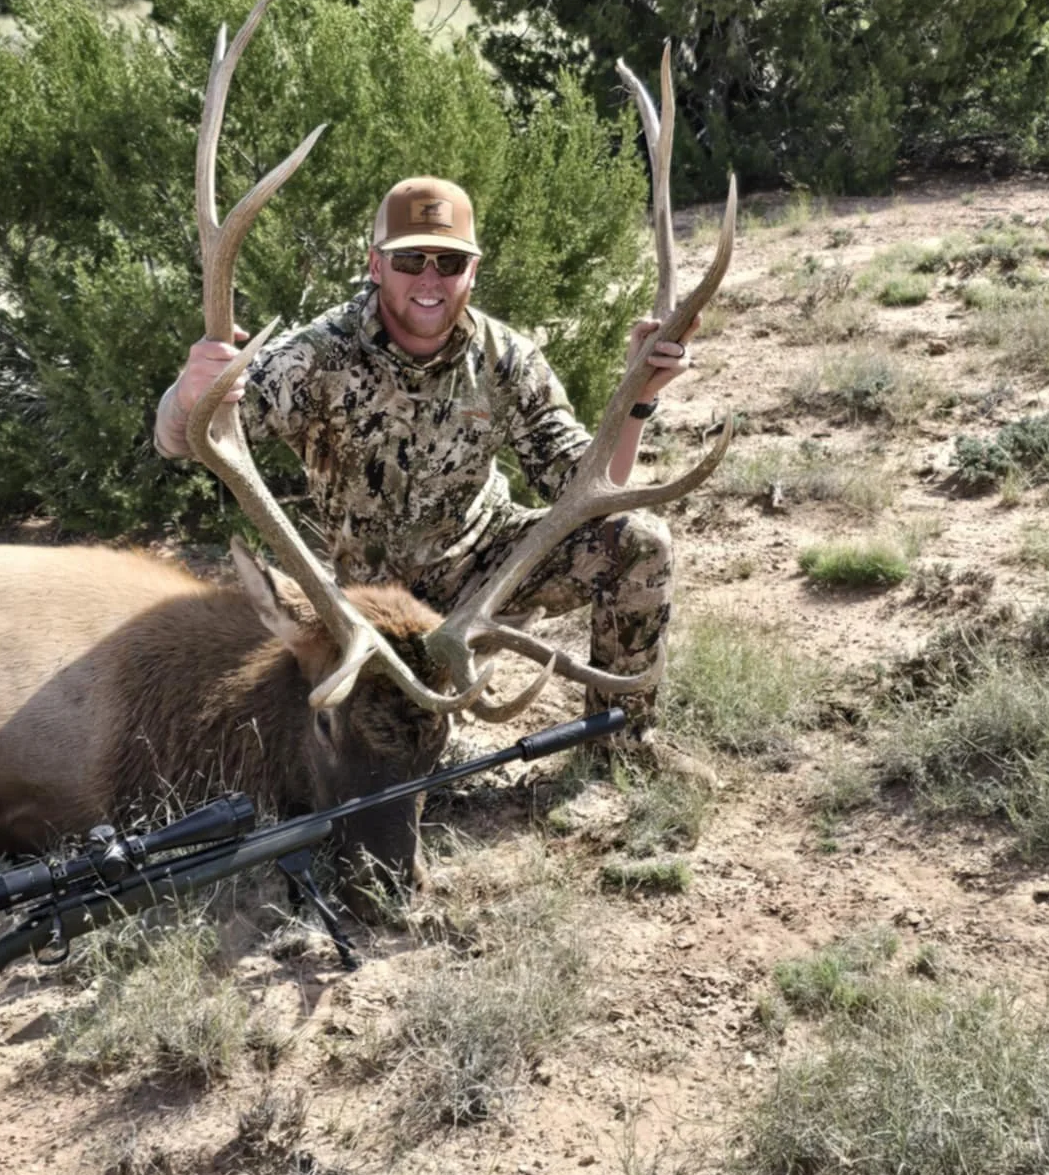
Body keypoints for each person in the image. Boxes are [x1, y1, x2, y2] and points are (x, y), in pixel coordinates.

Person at [155, 177, 690, 764]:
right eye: (410, 258)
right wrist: (189, 392)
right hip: (374, 599)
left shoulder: (506, 358)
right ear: (376, 265)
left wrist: (639, 393)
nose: (430, 279)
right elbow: (182, 442)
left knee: (639, 541)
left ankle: (618, 753)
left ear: (473, 271)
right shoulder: (318, 355)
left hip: (485, 574)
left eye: (450, 261)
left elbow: (593, 485)